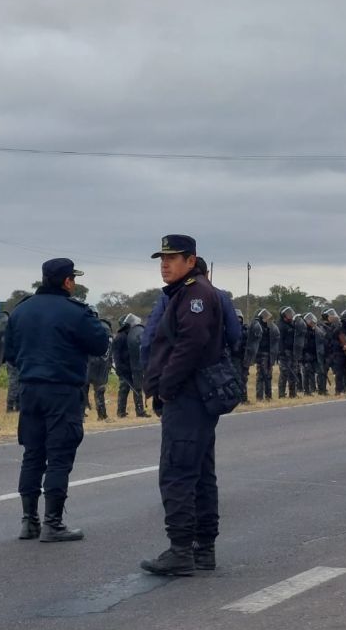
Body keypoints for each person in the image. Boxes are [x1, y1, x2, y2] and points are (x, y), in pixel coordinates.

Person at [4, 258, 109, 543]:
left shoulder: (21, 311)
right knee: (59, 456)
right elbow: (101, 344)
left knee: (32, 454)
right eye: (72, 279)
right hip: (62, 391)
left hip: (29, 390)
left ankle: (29, 522)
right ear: (66, 281)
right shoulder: (76, 312)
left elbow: (9, 354)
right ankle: (53, 523)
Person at [140, 234, 224, 576]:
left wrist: (165, 387)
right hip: (195, 397)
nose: (165, 264)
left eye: (172, 258)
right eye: (162, 259)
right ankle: (203, 549)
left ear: (191, 261)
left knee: (177, 473)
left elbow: (190, 345)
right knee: (200, 473)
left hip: (187, 397)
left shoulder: (195, 295)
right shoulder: (189, 291)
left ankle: (180, 551)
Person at [113, 314, 148, 418]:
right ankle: (121, 412)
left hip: (133, 366)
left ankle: (140, 411)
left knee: (137, 387)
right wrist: (119, 368)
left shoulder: (132, 335)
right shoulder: (120, 337)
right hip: (124, 367)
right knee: (124, 389)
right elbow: (116, 354)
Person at [246, 308, 279, 401]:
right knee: (263, 375)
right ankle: (262, 397)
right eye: (264, 317)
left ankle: (266, 396)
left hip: (269, 354)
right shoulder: (258, 326)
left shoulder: (269, 327)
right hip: (261, 354)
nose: (266, 318)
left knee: (266, 375)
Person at [84, 319, 114, 421]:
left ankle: (81, 414)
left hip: (91, 362)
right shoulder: (107, 331)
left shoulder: (92, 326)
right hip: (101, 364)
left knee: (83, 388)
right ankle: (102, 415)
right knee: (99, 390)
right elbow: (109, 351)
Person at [277, 306, 304, 399]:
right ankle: (281, 394)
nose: (290, 315)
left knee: (294, 372)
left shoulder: (292, 324)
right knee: (284, 373)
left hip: (293, 352)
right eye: (288, 313)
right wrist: (281, 353)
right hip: (285, 353)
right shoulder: (281, 325)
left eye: (291, 312)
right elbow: (279, 340)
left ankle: (293, 394)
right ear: (283, 315)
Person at [300, 312, 325, 395]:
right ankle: (306, 392)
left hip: (315, 356)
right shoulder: (302, 331)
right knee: (307, 374)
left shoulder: (316, 331)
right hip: (306, 356)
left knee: (320, 372)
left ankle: (322, 390)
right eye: (310, 321)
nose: (311, 323)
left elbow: (320, 342)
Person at [233, 309, 250, 402]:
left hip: (243, 356)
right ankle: (238, 399)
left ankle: (244, 398)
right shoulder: (230, 329)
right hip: (234, 357)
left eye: (240, 318)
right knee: (237, 377)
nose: (239, 320)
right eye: (237, 318)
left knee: (244, 377)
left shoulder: (245, 330)